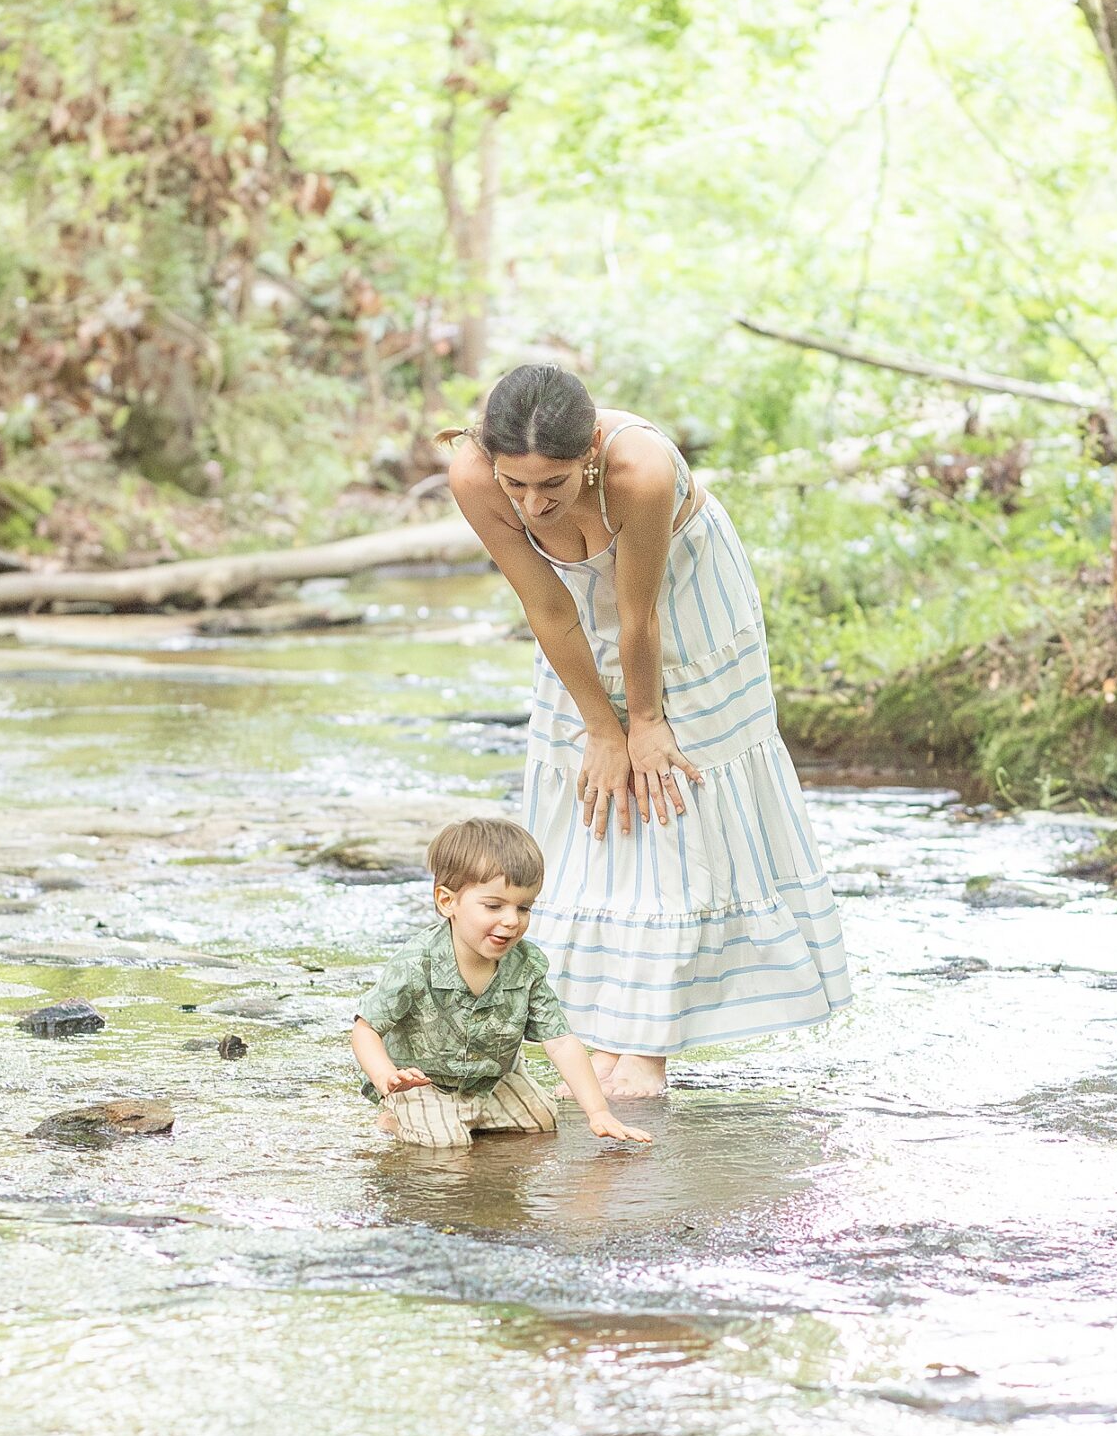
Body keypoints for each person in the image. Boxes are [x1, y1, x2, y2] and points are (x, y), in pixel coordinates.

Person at [448, 364, 851, 1098]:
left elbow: (640, 617)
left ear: (591, 453)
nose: (532, 506)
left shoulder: (639, 469)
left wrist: (644, 724)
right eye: (516, 485)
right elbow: (546, 608)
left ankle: (650, 1047)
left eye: (554, 485)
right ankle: (600, 1029)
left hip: (684, 598)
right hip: (566, 618)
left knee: (670, 790)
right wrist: (600, 729)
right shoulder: (473, 477)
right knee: (592, 794)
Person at [351, 816, 651, 1149]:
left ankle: (471, 1114)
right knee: (445, 1145)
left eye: (524, 907)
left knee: (542, 1122)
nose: (511, 921)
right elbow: (366, 1028)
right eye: (494, 906)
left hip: (489, 1078)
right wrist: (386, 1077)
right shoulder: (416, 963)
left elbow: (561, 1042)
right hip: (422, 1083)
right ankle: (396, 1115)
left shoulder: (525, 965)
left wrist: (598, 1112)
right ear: (447, 901)